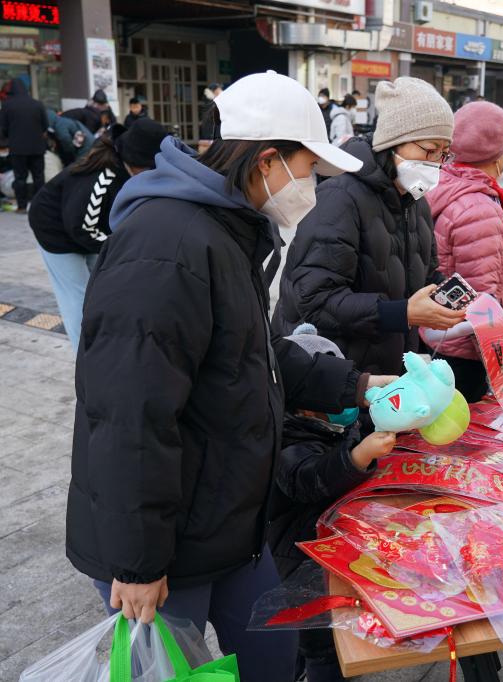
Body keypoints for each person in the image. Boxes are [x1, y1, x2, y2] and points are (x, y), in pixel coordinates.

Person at [66, 71, 385, 682]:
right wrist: (136, 564)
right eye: (308, 170)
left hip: (230, 517)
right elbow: (130, 414)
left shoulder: (228, 230)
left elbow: (256, 354)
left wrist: (359, 386)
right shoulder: (168, 244)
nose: (311, 189)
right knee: (168, 671)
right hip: (169, 540)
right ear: (267, 160)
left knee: (270, 653)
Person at [274, 77, 464, 376]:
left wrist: (448, 293)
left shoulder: (416, 202)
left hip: (391, 372)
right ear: (393, 142)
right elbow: (312, 301)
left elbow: (425, 271)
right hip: (334, 375)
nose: (437, 164)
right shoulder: (339, 198)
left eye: (444, 153)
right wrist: (402, 313)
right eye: (429, 150)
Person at [269, 326, 396, 682]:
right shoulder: (286, 440)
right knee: (322, 643)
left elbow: (365, 420)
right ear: (304, 404)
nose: (348, 407)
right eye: (335, 398)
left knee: (299, 638)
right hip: (297, 561)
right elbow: (310, 479)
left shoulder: (333, 423)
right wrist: (358, 456)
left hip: (327, 550)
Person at [28, 119, 165, 352]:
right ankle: (85, 358)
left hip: (81, 228)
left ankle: (105, 342)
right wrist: (120, 247)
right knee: (78, 296)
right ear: (137, 161)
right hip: (55, 230)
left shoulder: (124, 169)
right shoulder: (103, 176)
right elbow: (83, 227)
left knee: (100, 286)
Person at [423, 101, 503, 401]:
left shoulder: (446, 184)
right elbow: (482, 302)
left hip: (441, 338)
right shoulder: (479, 209)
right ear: (497, 156)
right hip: (465, 352)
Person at [0, 78, 48, 213]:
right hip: (37, 148)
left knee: (20, 177)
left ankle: (21, 206)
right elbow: (45, 125)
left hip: (18, 149)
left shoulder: (7, 105)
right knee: (39, 177)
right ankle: (41, 207)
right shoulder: (37, 104)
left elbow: (3, 128)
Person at [198, 82, 223, 152]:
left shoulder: (211, 101)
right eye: (219, 89)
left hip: (210, 135)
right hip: (211, 136)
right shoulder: (212, 102)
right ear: (214, 91)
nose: (221, 90)